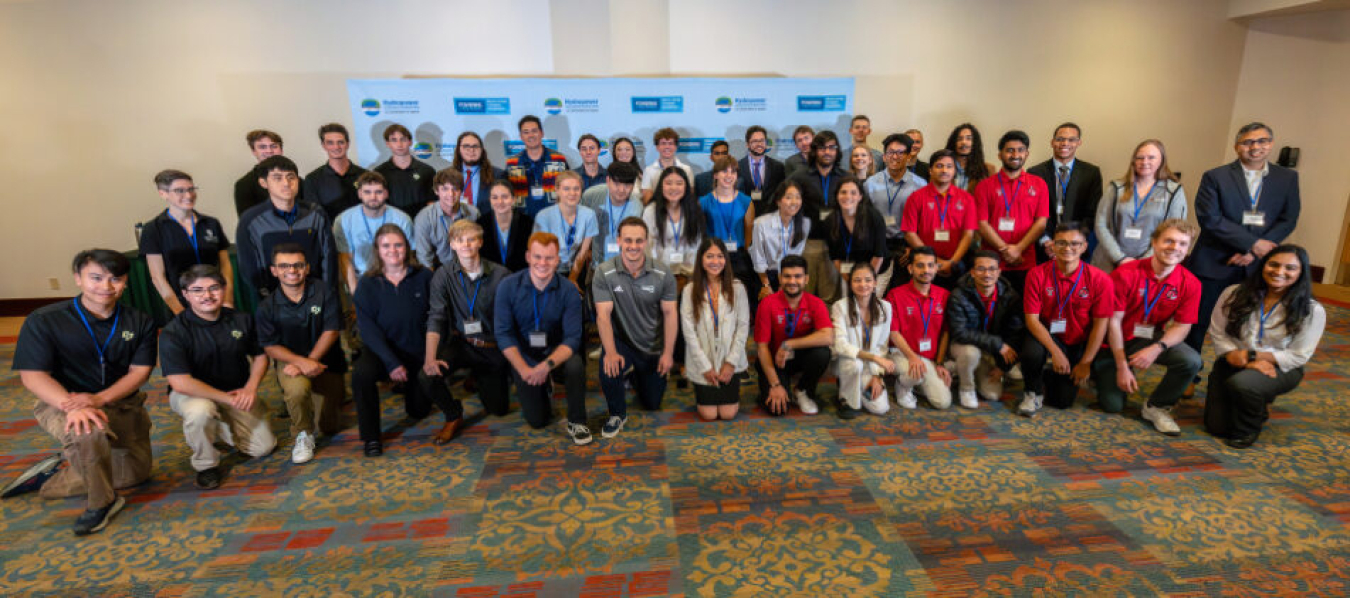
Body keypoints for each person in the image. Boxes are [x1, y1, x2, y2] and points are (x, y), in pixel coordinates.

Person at [7, 250, 157, 535]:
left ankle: (52, 475)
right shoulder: (45, 320)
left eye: (116, 279)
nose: (106, 287)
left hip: (118, 402)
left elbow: (139, 372)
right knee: (88, 430)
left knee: (134, 475)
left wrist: (99, 399)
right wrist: (73, 406)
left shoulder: (139, 321)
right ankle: (101, 504)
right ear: (78, 279)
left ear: (126, 282)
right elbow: (33, 375)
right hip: (62, 401)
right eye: (96, 278)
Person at [1185, 122, 1301, 388]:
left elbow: (1289, 218)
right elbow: (1210, 219)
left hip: (1259, 266)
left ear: (1270, 144)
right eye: (1248, 142)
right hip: (1214, 261)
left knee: (1248, 324)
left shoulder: (1287, 178)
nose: (1255, 147)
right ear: (1238, 146)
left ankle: (1236, 373)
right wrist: (1252, 244)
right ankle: (1189, 376)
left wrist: (1257, 250)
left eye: (1261, 141)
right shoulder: (1216, 176)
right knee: (1198, 321)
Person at [160, 265, 277, 489]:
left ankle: (221, 426)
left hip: (236, 391)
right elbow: (180, 382)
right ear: (185, 295)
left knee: (263, 448)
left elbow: (261, 357)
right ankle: (206, 465)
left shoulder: (241, 319)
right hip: (191, 394)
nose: (207, 295)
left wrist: (250, 389)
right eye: (198, 290)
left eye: (214, 288)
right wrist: (227, 399)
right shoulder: (174, 332)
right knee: (200, 412)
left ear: (224, 289)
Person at [351, 225, 456, 456]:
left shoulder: (425, 277)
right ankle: (371, 438)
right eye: (386, 245)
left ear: (407, 247)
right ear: (378, 250)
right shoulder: (368, 284)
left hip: (418, 353)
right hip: (383, 353)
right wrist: (391, 362)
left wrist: (432, 355)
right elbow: (368, 330)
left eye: (398, 245)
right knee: (361, 374)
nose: (393, 250)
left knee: (418, 411)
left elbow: (438, 318)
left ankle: (409, 385)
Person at [1205, 244, 1324, 448]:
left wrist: (1251, 357)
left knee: (1244, 384)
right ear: (1263, 265)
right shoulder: (1233, 293)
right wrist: (1238, 357)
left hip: (1279, 367)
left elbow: (1298, 355)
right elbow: (1217, 332)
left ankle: (1251, 424)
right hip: (1233, 358)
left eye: (1290, 268)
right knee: (1216, 427)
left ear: (1301, 272)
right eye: (1273, 265)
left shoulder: (1311, 310)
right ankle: (1252, 398)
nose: (1279, 272)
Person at [1092, 220, 1202, 435]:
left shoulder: (1191, 283)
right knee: (1112, 405)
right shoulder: (1125, 273)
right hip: (1112, 341)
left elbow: (1182, 327)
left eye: (1181, 244)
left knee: (1191, 360)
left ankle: (1157, 406)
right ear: (1154, 242)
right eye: (1168, 241)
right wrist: (1122, 366)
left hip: (1149, 337)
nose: (1174, 248)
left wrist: (1157, 348)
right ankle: (1102, 371)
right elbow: (1112, 322)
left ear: (1187, 249)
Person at [493, 233, 590, 444]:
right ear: (528, 257)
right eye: (537, 257)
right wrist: (523, 369)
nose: (543, 263)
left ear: (558, 260)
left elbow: (573, 338)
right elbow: (503, 334)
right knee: (538, 421)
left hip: (556, 353)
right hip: (524, 354)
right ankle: (543, 388)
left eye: (549, 258)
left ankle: (577, 421)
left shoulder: (568, 291)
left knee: (576, 365)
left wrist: (546, 366)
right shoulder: (508, 286)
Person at [254, 243, 346, 464]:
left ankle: (314, 400)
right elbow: (270, 346)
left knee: (330, 426)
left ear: (306, 268)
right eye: (284, 266)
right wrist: (300, 362)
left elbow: (332, 330)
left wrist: (311, 361)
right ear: (274, 270)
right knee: (296, 390)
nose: (292, 270)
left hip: (326, 361)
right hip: (290, 364)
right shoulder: (267, 306)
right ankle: (303, 434)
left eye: (297, 265)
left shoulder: (325, 291)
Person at [593, 217, 679, 436]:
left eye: (639, 241)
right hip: (621, 342)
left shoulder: (663, 273)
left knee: (652, 403)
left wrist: (668, 353)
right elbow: (603, 316)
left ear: (646, 242)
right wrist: (610, 353)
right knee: (608, 367)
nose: (633, 246)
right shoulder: (604, 272)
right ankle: (617, 414)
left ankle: (635, 376)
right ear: (619, 240)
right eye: (628, 240)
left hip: (652, 344)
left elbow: (670, 314)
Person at [1018, 222, 1113, 416]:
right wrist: (1055, 352)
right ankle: (1032, 392)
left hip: (1077, 340)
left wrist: (1086, 362)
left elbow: (1100, 325)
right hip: (1046, 336)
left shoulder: (1100, 279)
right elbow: (1032, 321)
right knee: (1031, 353)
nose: (1068, 248)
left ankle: (1049, 374)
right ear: (1052, 246)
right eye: (1061, 243)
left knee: (1062, 402)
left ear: (1084, 247)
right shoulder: (1036, 274)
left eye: (1074, 243)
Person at [425, 220, 511, 433]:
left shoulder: (501, 275)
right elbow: (436, 317)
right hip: (463, 344)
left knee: (499, 409)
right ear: (452, 244)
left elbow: (511, 319)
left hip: (492, 348)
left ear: (480, 242)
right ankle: (453, 413)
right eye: (459, 240)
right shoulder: (443, 275)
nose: (466, 245)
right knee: (427, 375)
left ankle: (478, 378)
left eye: (471, 239)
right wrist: (430, 357)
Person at [236, 155, 338, 301]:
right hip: (273, 301)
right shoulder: (250, 220)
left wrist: (325, 292)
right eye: (277, 178)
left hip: (316, 296)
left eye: (291, 177)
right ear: (263, 183)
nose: (286, 183)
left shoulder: (316, 214)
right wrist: (270, 297)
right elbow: (249, 267)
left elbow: (328, 258)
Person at [140, 169, 233, 315]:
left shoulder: (211, 223)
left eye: (191, 189)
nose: (188, 195)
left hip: (215, 299)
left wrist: (227, 300)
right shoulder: (153, 229)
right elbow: (158, 278)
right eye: (180, 191)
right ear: (163, 193)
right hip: (181, 304)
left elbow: (225, 265)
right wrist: (180, 313)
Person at [754, 255, 834, 416]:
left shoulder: (816, 303)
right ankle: (772, 386)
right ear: (779, 278)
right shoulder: (767, 304)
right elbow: (761, 348)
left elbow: (828, 336)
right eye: (787, 276)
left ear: (806, 279)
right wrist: (775, 385)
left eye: (798, 276)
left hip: (799, 356)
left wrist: (789, 344)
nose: (792, 281)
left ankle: (802, 390)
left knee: (823, 353)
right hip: (773, 359)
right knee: (778, 410)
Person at [681, 238, 751, 421]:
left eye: (720, 256)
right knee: (709, 414)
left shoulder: (738, 288)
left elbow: (743, 328)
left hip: (729, 360)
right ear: (701, 260)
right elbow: (689, 332)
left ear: (726, 260)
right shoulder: (690, 290)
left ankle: (727, 378)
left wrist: (731, 362)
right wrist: (705, 366)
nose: (715, 261)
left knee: (728, 414)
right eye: (709, 256)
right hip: (703, 360)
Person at [1092, 139, 1187, 272]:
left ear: (1161, 160)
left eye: (1151, 157)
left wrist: (1143, 262)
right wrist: (1120, 258)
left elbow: (1174, 231)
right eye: (1140, 158)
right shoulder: (1116, 187)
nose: (1145, 162)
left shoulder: (1174, 192)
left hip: (1151, 264)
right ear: (1133, 161)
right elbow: (1100, 224)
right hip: (1109, 262)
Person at [973, 130, 1050, 293]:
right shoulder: (984, 186)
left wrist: (1018, 249)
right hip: (991, 262)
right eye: (1009, 150)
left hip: (1025, 260)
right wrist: (1006, 250)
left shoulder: (1039, 184)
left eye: (1020, 150)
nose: (1015, 154)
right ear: (1000, 155)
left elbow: (1041, 222)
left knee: (1022, 310)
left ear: (1027, 154)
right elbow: (981, 223)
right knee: (992, 311)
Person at [947, 250, 1025, 409]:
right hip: (965, 345)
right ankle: (966, 388)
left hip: (991, 350)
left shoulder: (1010, 296)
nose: (987, 274)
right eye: (981, 269)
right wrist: (998, 345)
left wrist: (1003, 367)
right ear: (973, 272)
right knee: (970, 354)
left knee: (992, 395)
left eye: (992, 269)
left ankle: (964, 369)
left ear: (999, 272)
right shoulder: (958, 295)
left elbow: (1015, 333)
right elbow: (959, 333)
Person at [884, 247, 952, 409]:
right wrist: (912, 357)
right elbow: (893, 333)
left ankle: (919, 382)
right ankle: (903, 385)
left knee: (943, 403)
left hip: (929, 357)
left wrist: (940, 363)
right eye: (920, 265)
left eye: (930, 265)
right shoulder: (895, 294)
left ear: (936, 268)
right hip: (901, 353)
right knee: (916, 373)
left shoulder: (944, 295)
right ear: (910, 268)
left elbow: (946, 332)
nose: (926, 270)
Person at [1028, 123, 1104, 264]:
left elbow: (1092, 214)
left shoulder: (1091, 173)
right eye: (1060, 139)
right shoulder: (1035, 173)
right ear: (1052, 142)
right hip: (1044, 247)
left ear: (1078, 143)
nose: (1065, 143)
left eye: (1071, 140)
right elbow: (1032, 213)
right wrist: (1046, 241)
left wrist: (1072, 243)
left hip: (1077, 247)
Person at [902, 150, 978, 289]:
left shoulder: (967, 199)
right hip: (924, 266)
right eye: (939, 166)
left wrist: (952, 262)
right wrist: (933, 261)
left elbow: (968, 234)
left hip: (956, 264)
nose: (944, 170)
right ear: (930, 170)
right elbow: (909, 233)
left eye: (949, 166)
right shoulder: (916, 197)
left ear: (954, 171)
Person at [789, 130, 849, 301]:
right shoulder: (799, 177)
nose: (827, 152)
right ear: (814, 150)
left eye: (832, 147)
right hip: (808, 243)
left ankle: (827, 327)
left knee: (830, 296)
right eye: (822, 148)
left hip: (837, 245)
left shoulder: (846, 177)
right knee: (805, 293)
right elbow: (782, 204)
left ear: (837, 151)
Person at [334, 171, 415, 296]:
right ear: (359, 194)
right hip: (360, 277)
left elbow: (409, 257)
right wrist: (355, 293)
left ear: (386, 193)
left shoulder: (402, 219)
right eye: (367, 192)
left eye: (378, 192)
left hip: (394, 276)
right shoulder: (343, 220)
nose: (373, 197)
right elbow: (345, 260)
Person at [831, 263, 895, 418]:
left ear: (875, 283)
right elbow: (840, 345)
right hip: (847, 361)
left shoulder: (886, 307)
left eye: (867, 280)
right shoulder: (840, 306)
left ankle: (853, 385)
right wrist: (875, 358)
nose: (863, 285)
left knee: (880, 408)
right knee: (855, 364)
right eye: (857, 280)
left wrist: (877, 376)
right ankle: (846, 399)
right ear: (851, 284)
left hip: (870, 366)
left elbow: (882, 346)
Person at [864, 133, 925, 291]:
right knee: (875, 293)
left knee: (901, 293)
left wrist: (914, 247)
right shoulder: (870, 184)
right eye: (891, 152)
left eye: (900, 153)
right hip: (877, 246)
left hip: (905, 248)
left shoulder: (920, 185)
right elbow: (864, 219)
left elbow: (923, 220)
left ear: (908, 156)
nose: (895, 157)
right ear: (884, 157)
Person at [699, 155, 759, 306]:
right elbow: (700, 234)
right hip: (713, 256)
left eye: (733, 172)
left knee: (742, 299)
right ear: (715, 175)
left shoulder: (746, 201)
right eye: (724, 171)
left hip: (738, 257)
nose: (729, 176)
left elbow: (748, 234)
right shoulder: (704, 202)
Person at [825, 178, 887, 302]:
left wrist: (867, 281)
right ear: (837, 195)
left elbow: (879, 254)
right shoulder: (831, 220)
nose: (848, 196)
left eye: (853, 193)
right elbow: (835, 256)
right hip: (849, 270)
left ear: (860, 196)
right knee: (850, 304)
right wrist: (851, 280)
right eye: (843, 192)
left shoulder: (873, 217)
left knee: (870, 304)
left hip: (877, 269)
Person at [532, 171, 597, 284]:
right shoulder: (544, 216)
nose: (572, 193)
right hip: (548, 271)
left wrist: (572, 279)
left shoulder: (589, 215)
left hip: (576, 270)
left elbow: (583, 251)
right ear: (557, 190)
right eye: (566, 189)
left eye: (576, 188)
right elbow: (542, 253)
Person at [751, 180, 811, 300]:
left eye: (798, 197)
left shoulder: (805, 223)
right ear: (778, 201)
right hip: (765, 276)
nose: (794, 202)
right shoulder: (761, 223)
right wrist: (766, 284)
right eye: (788, 197)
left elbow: (797, 255)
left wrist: (785, 282)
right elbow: (758, 257)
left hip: (790, 276)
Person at [643, 167, 704, 278]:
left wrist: (689, 274)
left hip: (688, 274)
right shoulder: (651, 211)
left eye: (679, 183)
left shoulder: (693, 209)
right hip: (659, 275)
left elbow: (696, 244)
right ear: (661, 186)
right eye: (668, 183)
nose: (674, 188)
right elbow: (649, 247)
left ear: (686, 187)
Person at [414, 169, 481, 269]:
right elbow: (424, 259)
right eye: (445, 189)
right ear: (436, 191)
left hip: (468, 267)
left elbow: (479, 248)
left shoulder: (473, 214)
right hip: (438, 270)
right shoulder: (424, 218)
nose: (451, 194)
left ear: (461, 191)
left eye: (455, 189)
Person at [505, 115, 570, 217]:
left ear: (542, 133)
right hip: (523, 220)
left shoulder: (558, 159)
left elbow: (568, 190)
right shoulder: (512, 163)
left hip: (554, 218)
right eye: (526, 132)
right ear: (521, 136)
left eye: (534, 131)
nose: (530, 135)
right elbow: (508, 196)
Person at [303, 123, 367, 222]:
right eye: (330, 143)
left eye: (340, 142)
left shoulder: (366, 176)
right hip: (330, 235)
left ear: (348, 144)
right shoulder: (312, 180)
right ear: (324, 145)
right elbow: (314, 215)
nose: (336, 147)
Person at [585, 162, 642, 269]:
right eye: (616, 184)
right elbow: (581, 226)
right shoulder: (591, 196)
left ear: (633, 186)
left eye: (627, 185)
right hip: (596, 266)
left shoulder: (637, 206)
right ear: (607, 181)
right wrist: (587, 250)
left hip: (624, 268)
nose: (621, 190)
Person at [373, 124, 435, 214]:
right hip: (391, 224)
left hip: (420, 223)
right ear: (387, 144)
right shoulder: (379, 173)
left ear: (410, 142)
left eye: (403, 139)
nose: (399, 144)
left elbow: (432, 202)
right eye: (394, 140)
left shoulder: (427, 171)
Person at [477, 179, 534, 272]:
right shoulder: (480, 224)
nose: (500, 202)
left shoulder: (527, 223)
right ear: (490, 200)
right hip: (491, 279)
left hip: (520, 277)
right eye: (495, 197)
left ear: (513, 199)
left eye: (505, 197)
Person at [451, 131, 505, 215]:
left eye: (475, 146)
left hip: (486, 225)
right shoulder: (448, 175)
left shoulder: (498, 175)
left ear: (482, 150)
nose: (471, 150)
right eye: (466, 146)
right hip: (455, 225)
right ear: (458, 150)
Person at [234, 129, 285, 216]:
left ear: (281, 150)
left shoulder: (297, 181)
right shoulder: (244, 185)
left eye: (274, 146)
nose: (269, 151)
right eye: (262, 147)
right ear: (254, 151)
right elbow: (248, 222)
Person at [738, 125, 787, 214]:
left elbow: (781, 194)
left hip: (770, 216)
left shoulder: (778, 167)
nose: (759, 144)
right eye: (755, 141)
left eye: (762, 140)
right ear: (747, 144)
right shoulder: (737, 167)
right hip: (745, 215)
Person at [641, 127, 695, 203]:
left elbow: (690, 196)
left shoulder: (686, 169)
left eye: (670, 143)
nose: (667, 147)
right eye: (663, 143)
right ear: (657, 147)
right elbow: (647, 198)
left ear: (676, 147)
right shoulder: (649, 170)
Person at [945, 123, 994, 193]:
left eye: (969, 138)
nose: (964, 142)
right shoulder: (942, 168)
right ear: (953, 143)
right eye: (959, 139)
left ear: (975, 143)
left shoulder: (988, 170)